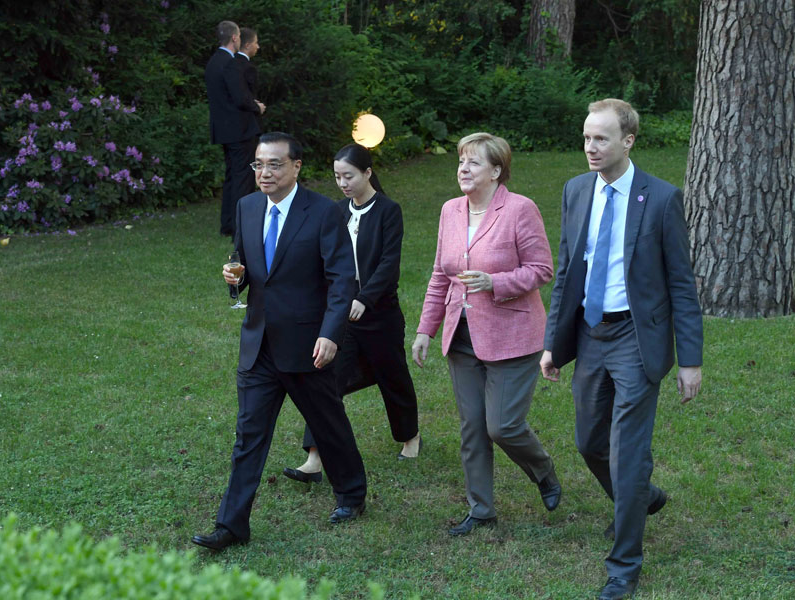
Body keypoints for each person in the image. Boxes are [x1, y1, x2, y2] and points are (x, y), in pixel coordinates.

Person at [540, 99, 703, 600]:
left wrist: (691, 359)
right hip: (590, 334)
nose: (591, 147)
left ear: (627, 141)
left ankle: (624, 565)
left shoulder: (660, 198)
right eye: (587, 137)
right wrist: (552, 343)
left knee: (628, 452)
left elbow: (681, 283)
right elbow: (567, 270)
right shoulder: (574, 190)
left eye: (602, 138)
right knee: (589, 442)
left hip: (637, 336)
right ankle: (641, 500)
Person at [191, 132, 367, 551]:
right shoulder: (247, 207)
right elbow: (246, 265)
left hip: (308, 344)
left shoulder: (324, 213)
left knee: (328, 423)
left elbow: (342, 280)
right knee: (248, 435)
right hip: (259, 345)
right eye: (258, 164)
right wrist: (237, 279)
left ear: (296, 167)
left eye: (274, 165)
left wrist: (330, 333)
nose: (264, 173)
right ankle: (232, 525)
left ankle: (352, 493)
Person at [411, 132, 562, 538]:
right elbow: (440, 276)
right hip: (461, 337)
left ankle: (543, 470)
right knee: (473, 427)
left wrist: (494, 282)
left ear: (496, 171)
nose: (463, 168)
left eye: (473, 162)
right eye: (461, 161)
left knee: (503, 426)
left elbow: (542, 269)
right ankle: (481, 510)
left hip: (512, 334)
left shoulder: (519, 210)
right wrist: (427, 328)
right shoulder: (450, 211)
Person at [282, 143, 421, 484]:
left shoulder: (389, 211)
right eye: (336, 177)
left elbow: (389, 265)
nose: (342, 183)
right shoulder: (337, 212)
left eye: (348, 176)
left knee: (393, 376)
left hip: (380, 314)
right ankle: (315, 457)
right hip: (343, 313)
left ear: (368, 173)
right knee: (325, 379)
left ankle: (410, 436)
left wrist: (366, 298)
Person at [204, 20, 265, 238]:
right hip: (239, 129)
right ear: (234, 38)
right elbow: (240, 97)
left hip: (222, 129)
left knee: (232, 176)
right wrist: (256, 107)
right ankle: (240, 226)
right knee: (243, 177)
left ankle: (228, 223)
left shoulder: (213, 62)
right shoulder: (229, 64)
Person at [235, 27, 265, 128]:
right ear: (247, 45)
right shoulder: (248, 68)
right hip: (246, 122)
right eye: (256, 43)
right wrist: (256, 106)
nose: (258, 46)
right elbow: (247, 95)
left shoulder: (230, 63)